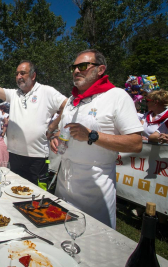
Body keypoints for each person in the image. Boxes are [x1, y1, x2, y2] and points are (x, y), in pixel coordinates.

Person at [50, 49, 143, 228]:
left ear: (100, 69)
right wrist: (56, 136)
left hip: (95, 189)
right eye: (74, 67)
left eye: (83, 66)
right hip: (65, 184)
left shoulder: (117, 96)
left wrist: (92, 135)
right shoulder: (71, 99)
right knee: (61, 238)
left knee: (95, 246)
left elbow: (136, 143)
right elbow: (64, 129)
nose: (76, 71)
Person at [0, 46, 67, 184]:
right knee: (15, 194)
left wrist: (53, 128)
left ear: (33, 76)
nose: (18, 77)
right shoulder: (14, 94)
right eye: (17, 74)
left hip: (37, 158)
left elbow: (68, 107)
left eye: (23, 73)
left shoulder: (47, 91)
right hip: (14, 156)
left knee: (36, 199)